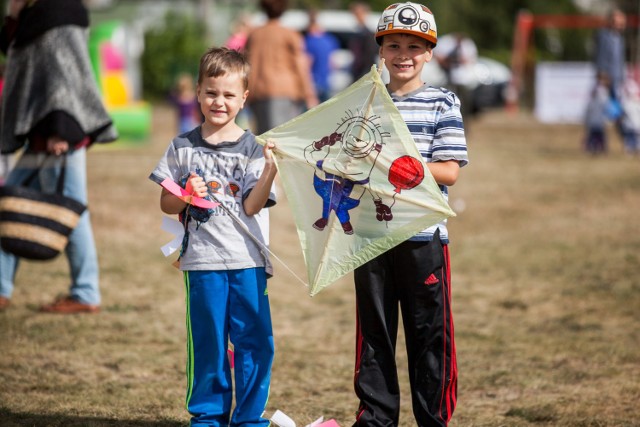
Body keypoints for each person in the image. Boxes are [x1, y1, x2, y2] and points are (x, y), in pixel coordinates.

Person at [148, 46, 278, 427]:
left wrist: (270, 170)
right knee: (208, 344)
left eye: (228, 94)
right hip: (201, 263)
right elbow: (166, 205)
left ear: (244, 98)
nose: (218, 101)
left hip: (248, 262)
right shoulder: (181, 146)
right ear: (198, 92)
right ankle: (208, 416)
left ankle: (250, 419)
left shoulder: (255, 147)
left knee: (256, 343)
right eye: (210, 92)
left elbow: (253, 206)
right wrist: (185, 192)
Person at [352, 3, 467, 426]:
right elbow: (345, 157)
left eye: (415, 46)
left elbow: (450, 171)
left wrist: (399, 163)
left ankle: (432, 419)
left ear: (430, 53)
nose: (404, 54)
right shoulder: (365, 101)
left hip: (424, 239)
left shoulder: (443, 102)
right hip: (370, 238)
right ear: (381, 49)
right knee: (374, 338)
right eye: (394, 44)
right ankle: (376, 419)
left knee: (429, 339)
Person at [0, 0, 118, 313]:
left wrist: (59, 129)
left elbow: (64, 75)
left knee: (72, 212)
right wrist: (14, 13)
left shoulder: (62, 9)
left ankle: (85, 292)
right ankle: (1, 288)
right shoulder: (33, 13)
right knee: (7, 202)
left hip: (58, 134)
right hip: (40, 132)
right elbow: (10, 48)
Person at [245, 0, 318, 134]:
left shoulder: (254, 35)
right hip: (287, 90)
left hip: (260, 91)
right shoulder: (290, 34)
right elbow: (300, 65)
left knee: (264, 137)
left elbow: (249, 64)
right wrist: (309, 93)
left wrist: (246, 91)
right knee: (283, 136)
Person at [592, 8, 633, 151]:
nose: (621, 24)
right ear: (610, 21)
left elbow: (619, 61)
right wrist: (602, 76)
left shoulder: (619, 38)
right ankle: (596, 142)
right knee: (602, 113)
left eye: (622, 22)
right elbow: (600, 57)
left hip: (616, 81)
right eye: (618, 21)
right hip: (606, 81)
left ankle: (629, 141)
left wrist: (622, 79)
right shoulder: (603, 36)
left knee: (618, 113)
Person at [433, 32, 478, 117]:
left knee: (464, 103)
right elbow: (437, 55)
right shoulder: (446, 42)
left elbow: (470, 60)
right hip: (447, 77)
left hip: (463, 79)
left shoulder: (467, 44)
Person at [304, 9, 340, 102]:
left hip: (314, 83)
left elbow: (307, 63)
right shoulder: (330, 40)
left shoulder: (309, 41)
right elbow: (332, 63)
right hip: (327, 82)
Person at [348, 2, 379, 81]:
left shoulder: (367, 33)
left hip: (365, 73)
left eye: (359, 13)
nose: (357, 16)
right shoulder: (356, 32)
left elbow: (369, 56)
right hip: (357, 71)